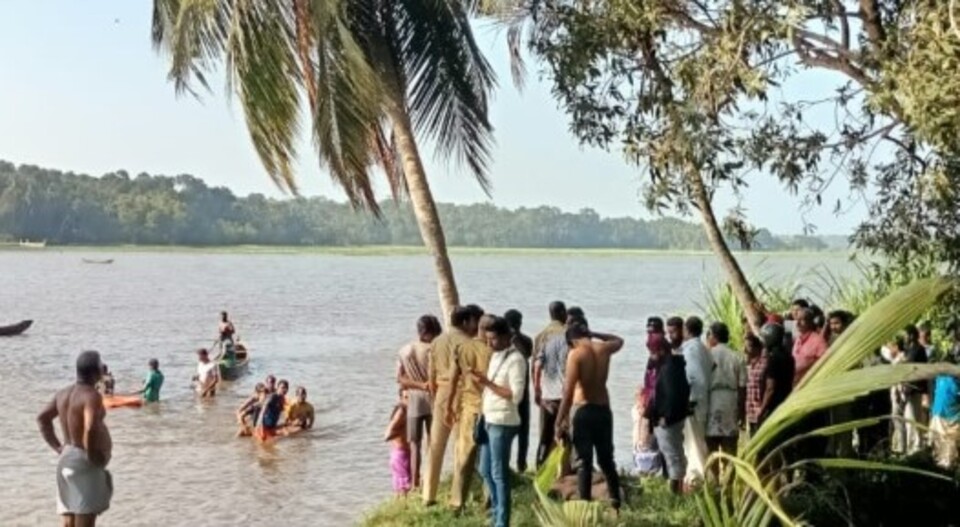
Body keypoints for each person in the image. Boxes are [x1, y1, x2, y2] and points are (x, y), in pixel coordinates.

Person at [37, 351, 113, 526]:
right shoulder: (91, 395)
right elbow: (90, 426)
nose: (104, 367)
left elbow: (42, 418)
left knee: (69, 517)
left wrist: (58, 447)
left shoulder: (63, 393)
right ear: (95, 371)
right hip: (84, 461)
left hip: (66, 458)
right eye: (101, 364)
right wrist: (92, 455)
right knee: (85, 520)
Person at [555, 322, 624, 509]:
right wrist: (594, 333)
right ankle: (615, 502)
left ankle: (584, 504)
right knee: (607, 460)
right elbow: (619, 340)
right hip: (603, 410)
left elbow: (568, 393)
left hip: (583, 410)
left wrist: (559, 421)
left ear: (572, 341)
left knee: (583, 462)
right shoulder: (604, 348)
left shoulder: (576, 354)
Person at [422, 305, 479, 506]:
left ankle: (428, 494)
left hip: (441, 393)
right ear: (465, 322)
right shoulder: (468, 343)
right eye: (473, 321)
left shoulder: (436, 341)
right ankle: (456, 498)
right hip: (461, 394)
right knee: (460, 446)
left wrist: (435, 396)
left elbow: (430, 375)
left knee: (435, 446)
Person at [473, 316, 527, 527]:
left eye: (493, 339)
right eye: (487, 339)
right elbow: (493, 387)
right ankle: (496, 512)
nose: (489, 343)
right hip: (489, 418)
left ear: (506, 337)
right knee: (485, 469)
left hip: (503, 422)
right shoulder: (496, 355)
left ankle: (502, 521)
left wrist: (487, 382)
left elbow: (516, 395)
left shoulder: (516, 360)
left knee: (498, 473)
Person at [446, 305, 491, 512]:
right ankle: (489, 500)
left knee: (463, 458)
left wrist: (449, 406)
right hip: (491, 409)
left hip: (469, 408)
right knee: (490, 458)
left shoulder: (463, 348)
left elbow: (453, 380)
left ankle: (457, 502)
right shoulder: (495, 351)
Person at [397, 314, 441, 488]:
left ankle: (415, 483)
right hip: (432, 399)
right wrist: (425, 385)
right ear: (430, 332)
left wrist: (417, 386)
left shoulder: (404, 350)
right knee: (433, 442)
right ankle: (429, 481)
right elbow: (437, 377)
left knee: (414, 445)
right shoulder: (432, 350)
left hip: (413, 400)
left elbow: (400, 379)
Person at [645, 333, 690, 494]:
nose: (650, 356)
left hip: (668, 419)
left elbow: (672, 395)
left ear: (661, 351)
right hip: (675, 417)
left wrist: (666, 417)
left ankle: (675, 493)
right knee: (675, 452)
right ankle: (678, 488)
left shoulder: (669, 369)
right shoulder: (674, 365)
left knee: (672, 455)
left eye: (652, 352)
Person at [533, 300, 568, 469]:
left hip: (546, 394)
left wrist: (536, 391)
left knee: (545, 434)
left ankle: (541, 466)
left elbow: (536, 366)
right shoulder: (567, 335)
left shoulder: (541, 336)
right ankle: (563, 468)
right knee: (564, 433)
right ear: (563, 313)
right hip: (563, 396)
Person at [705, 322, 747, 457]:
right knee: (730, 446)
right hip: (731, 401)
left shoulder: (707, 355)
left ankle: (713, 476)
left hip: (711, 401)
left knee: (711, 446)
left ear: (713, 336)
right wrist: (741, 412)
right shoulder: (737, 357)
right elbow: (742, 387)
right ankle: (729, 475)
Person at [680, 316, 713, 481]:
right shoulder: (704, 349)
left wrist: (690, 400)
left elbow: (694, 377)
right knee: (698, 440)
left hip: (694, 403)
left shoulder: (691, 350)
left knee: (693, 442)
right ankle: (701, 476)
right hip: (704, 400)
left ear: (686, 330)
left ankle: (697, 478)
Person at [504, 308, 533, 473]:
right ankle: (519, 464)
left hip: (512, 394)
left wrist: (513, 336)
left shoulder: (510, 341)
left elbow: (525, 354)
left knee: (515, 431)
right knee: (521, 432)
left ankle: (519, 465)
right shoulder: (523, 340)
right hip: (519, 394)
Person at [930, 331, 960, 468]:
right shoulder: (950, 353)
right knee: (939, 451)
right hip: (940, 412)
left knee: (949, 453)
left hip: (952, 416)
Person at [758, 323, 794, 425]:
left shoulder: (773, 358)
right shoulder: (789, 357)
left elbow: (770, 388)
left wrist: (762, 410)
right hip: (786, 403)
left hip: (774, 407)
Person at [385, 391, 412, 498]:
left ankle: (399, 507)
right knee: (405, 486)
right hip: (401, 455)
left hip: (398, 454)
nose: (408, 400)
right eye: (406, 397)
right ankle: (404, 507)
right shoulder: (401, 411)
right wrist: (401, 432)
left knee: (399, 486)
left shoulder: (406, 411)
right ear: (401, 398)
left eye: (410, 397)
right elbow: (387, 434)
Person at [792, 308, 828, 386]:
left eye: (802, 320)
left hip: (809, 384)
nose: (797, 323)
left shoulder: (818, 341)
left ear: (810, 322)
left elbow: (824, 362)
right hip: (795, 383)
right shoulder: (798, 339)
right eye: (797, 319)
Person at [744, 334, 767, 437]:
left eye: (749, 346)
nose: (745, 349)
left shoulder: (764, 363)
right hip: (751, 411)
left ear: (757, 348)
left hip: (761, 410)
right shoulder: (748, 366)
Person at [255, 376, 285, 442]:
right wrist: (260, 425)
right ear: (278, 388)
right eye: (282, 388)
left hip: (271, 426)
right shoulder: (272, 396)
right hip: (264, 426)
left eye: (286, 388)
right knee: (263, 446)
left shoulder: (282, 398)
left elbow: (280, 411)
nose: (284, 390)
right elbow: (263, 411)